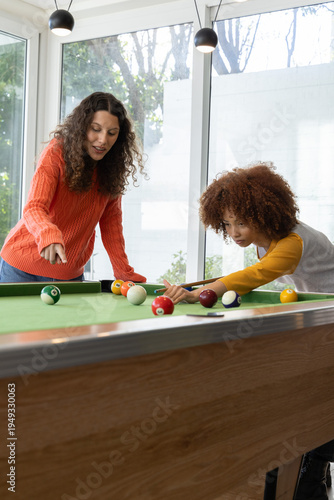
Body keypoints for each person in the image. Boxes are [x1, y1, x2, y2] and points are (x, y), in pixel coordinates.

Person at [162, 162, 334, 500]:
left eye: (242, 221)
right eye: (227, 223)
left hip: (330, 319)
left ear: (266, 211)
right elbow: (258, 278)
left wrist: (203, 295)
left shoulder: (293, 241)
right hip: (318, 318)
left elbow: (256, 276)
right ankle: (309, 473)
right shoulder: (262, 240)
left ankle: (313, 471)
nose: (235, 231)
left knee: (320, 400)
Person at [0, 92, 146, 284]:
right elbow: (34, 207)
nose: (103, 140)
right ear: (82, 126)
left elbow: (111, 226)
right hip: (20, 267)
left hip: (68, 274)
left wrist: (123, 271)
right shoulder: (56, 152)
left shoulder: (112, 170)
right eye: (96, 129)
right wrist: (48, 235)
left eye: (112, 133)